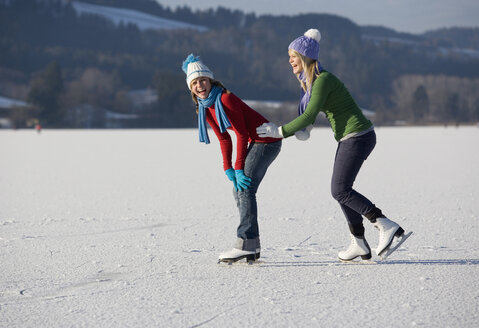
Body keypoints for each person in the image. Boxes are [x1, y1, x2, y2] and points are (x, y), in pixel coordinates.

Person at [257, 29, 411, 261]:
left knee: (340, 190)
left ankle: (383, 224)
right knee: (341, 190)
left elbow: (309, 115)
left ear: (306, 56)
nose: (289, 60)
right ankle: (358, 241)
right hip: (352, 137)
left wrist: (279, 132)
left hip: (358, 135)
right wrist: (304, 129)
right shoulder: (312, 82)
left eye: (293, 56)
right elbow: (313, 111)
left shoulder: (322, 80)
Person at [182, 54, 282, 263]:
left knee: (245, 188)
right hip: (255, 141)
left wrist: (238, 168)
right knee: (239, 191)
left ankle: (246, 242)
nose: (200, 85)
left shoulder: (225, 98)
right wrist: (227, 168)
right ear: (191, 87)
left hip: (267, 141)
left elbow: (242, 134)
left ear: (211, 81)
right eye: (195, 83)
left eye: (203, 80)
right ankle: (251, 246)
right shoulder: (204, 107)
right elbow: (223, 138)